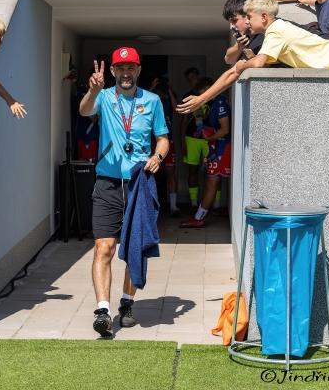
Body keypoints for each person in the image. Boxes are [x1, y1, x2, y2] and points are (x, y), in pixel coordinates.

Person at [79, 47, 169, 337]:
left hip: (139, 182)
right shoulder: (104, 96)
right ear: (113, 71)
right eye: (120, 68)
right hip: (107, 182)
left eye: (131, 68)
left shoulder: (152, 100)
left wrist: (158, 157)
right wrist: (93, 90)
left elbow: (163, 138)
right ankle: (103, 312)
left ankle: (127, 303)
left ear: (139, 70)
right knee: (103, 247)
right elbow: (84, 110)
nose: (126, 73)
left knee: (134, 247)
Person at [176, 0, 329, 116]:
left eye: (249, 17)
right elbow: (234, 63)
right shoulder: (273, 30)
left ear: (263, 17)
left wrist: (243, 65)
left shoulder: (275, 31)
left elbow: (258, 63)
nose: (247, 22)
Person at [180, 90, 231, 228]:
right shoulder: (215, 102)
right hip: (215, 146)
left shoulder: (218, 102)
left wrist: (209, 137)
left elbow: (224, 129)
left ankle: (201, 216)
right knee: (210, 180)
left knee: (212, 181)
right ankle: (198, 214)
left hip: (220, 147)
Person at [151, 76, 180, 216]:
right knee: (150, 172)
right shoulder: (150, 98)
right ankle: (151, 205)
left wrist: (169, 89)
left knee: (170, 173)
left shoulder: (168, 99)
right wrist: (152, 87)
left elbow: (176, 108)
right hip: (151, 141)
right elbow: (138, 101)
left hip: (168, 140)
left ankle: (173, 206)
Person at [223, 0, 265, 65]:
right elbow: (228, 60)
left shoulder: (269, 31)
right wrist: (239, 47)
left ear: (248, 15)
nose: (232, 26)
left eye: (234, 20)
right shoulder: (245, 36)